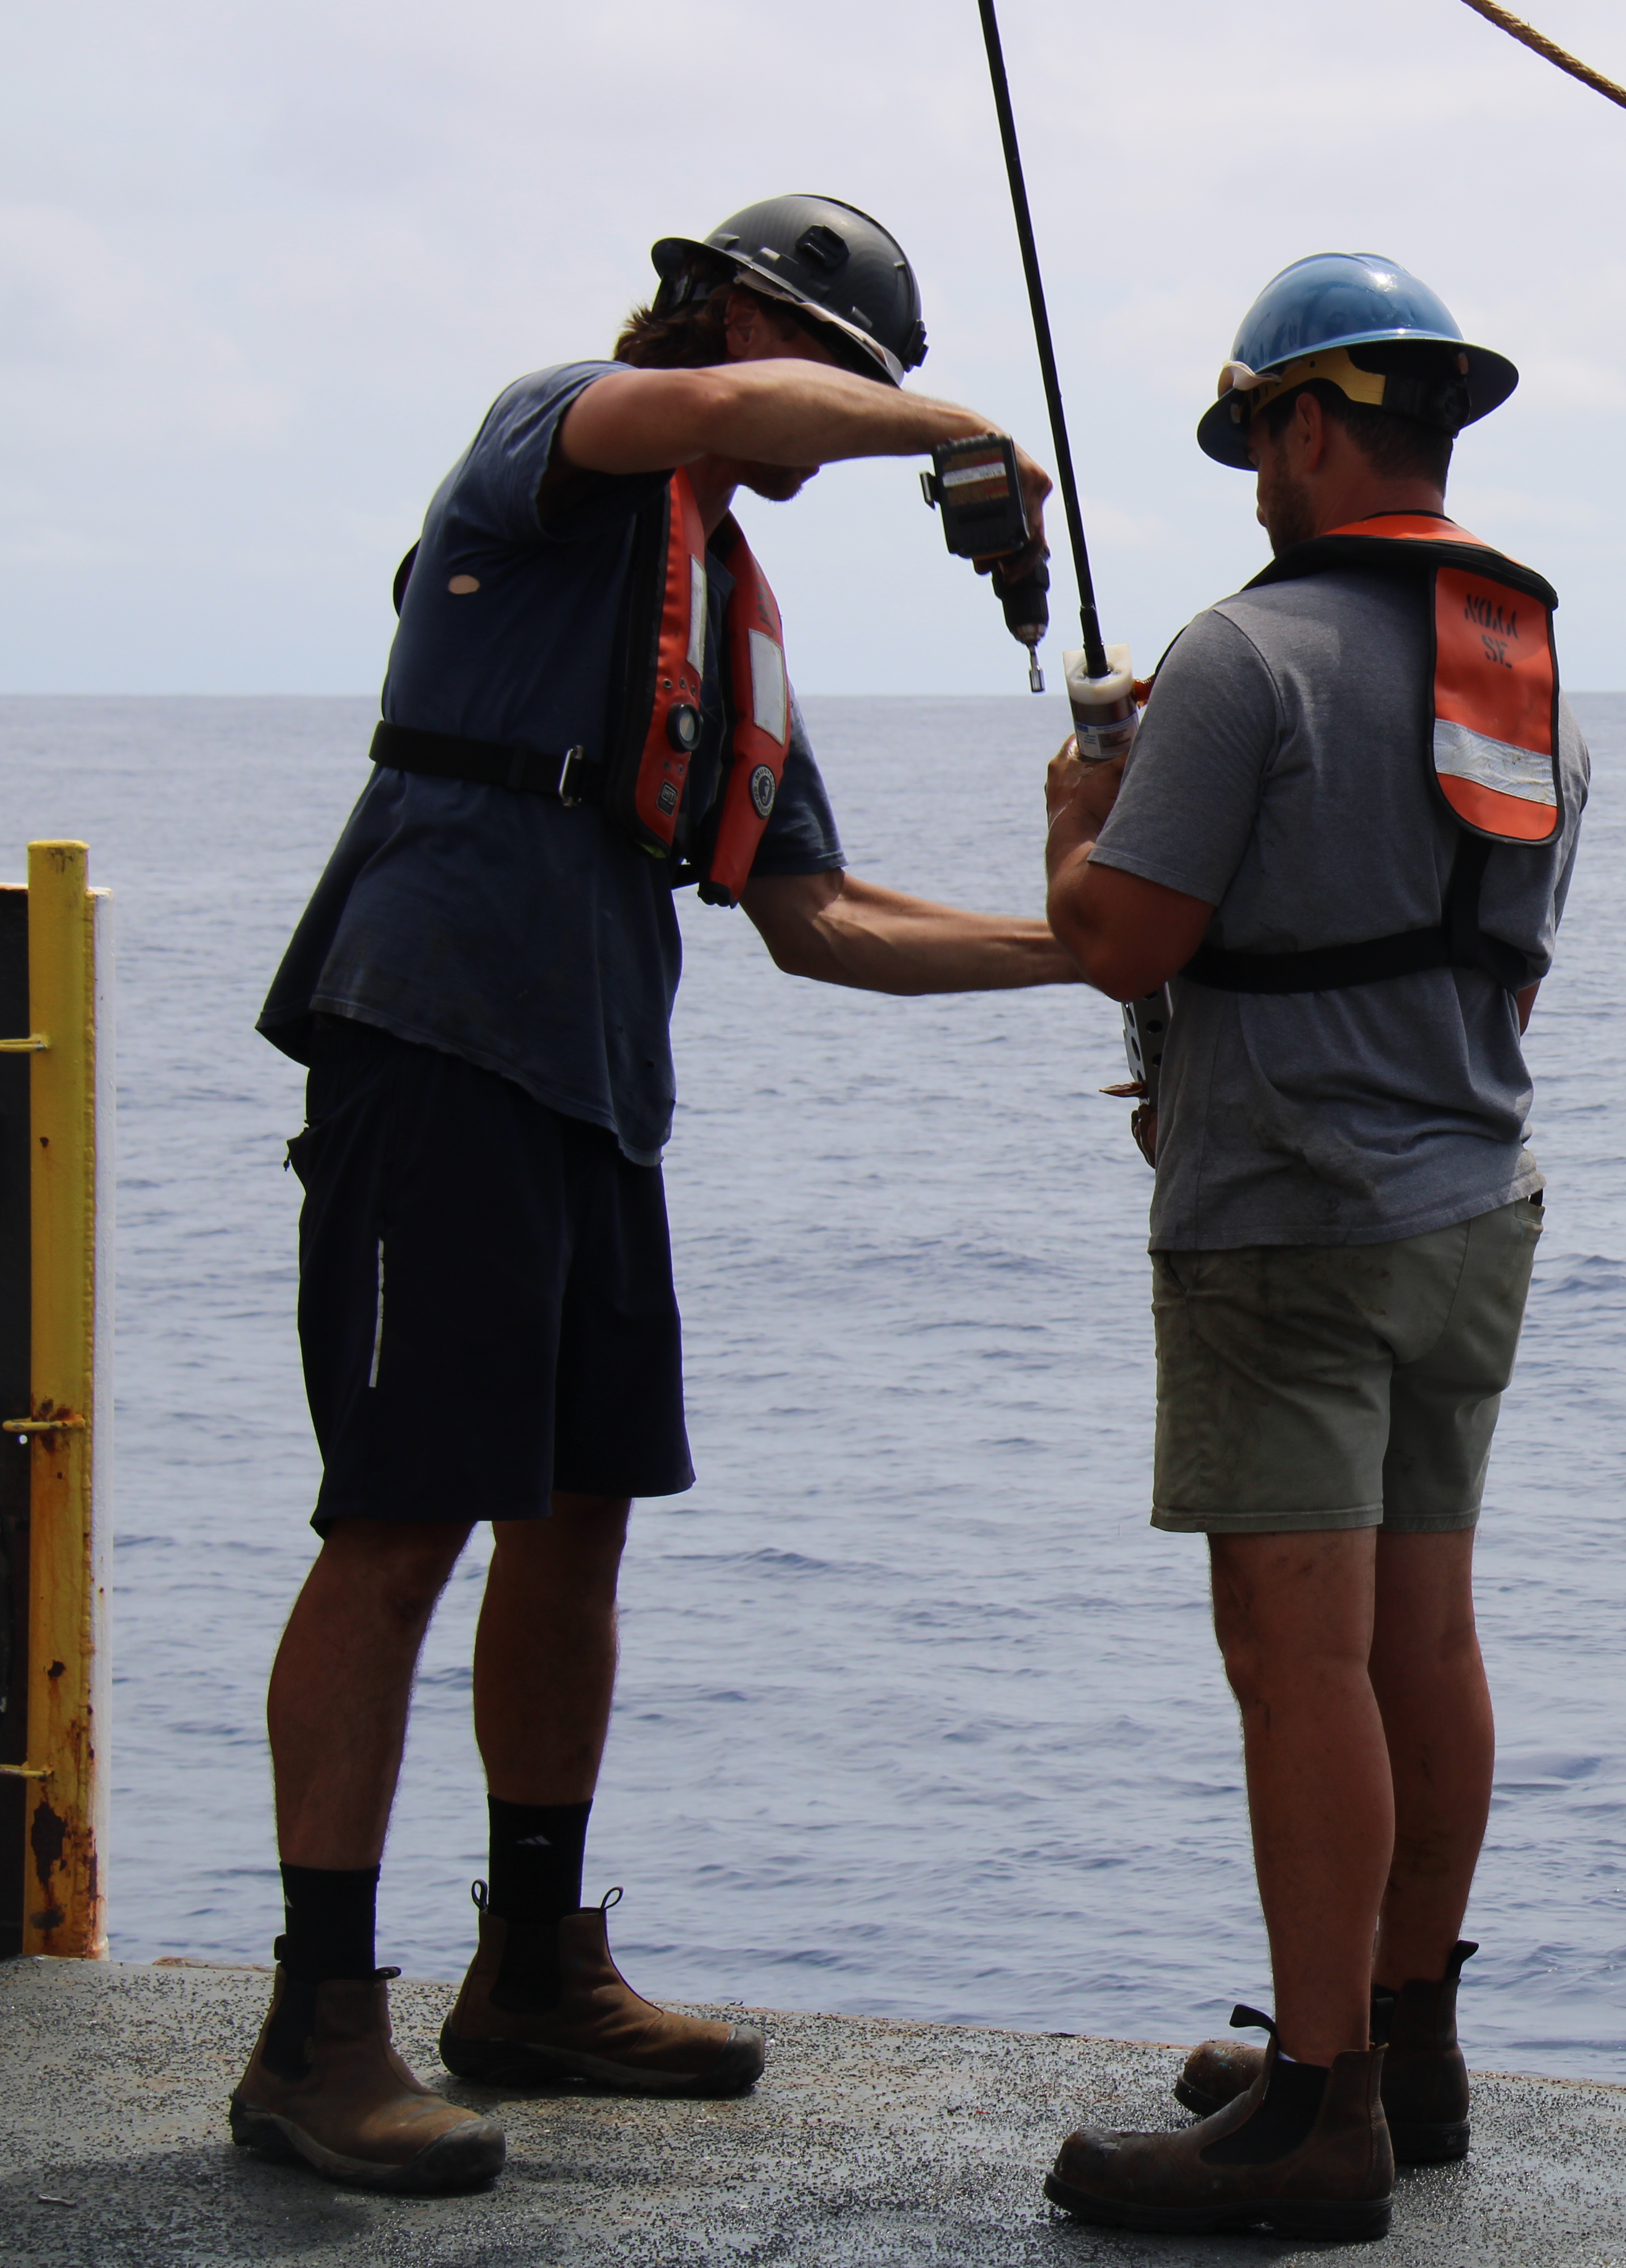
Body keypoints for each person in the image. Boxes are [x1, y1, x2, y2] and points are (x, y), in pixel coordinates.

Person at [235, 194, 1079, 2194]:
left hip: (600, 1078)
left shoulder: (734, 605)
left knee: (581, 1518)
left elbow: (817, 917)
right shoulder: (566, 429)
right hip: (436, 1031)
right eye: (829, 378)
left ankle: (531, 1964)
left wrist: (1081, 951)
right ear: (726, 321)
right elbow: (701, 400)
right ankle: (312, 2032)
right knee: (399, 1522)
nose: (824, 427)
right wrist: (961, 431)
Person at [1034, 252, 1587, 2241]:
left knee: (1300, 1664)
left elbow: (1121, 938)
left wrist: (1072, 811)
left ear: (1314, 420)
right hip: (1472, 1210)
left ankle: (1318, 2110)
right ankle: (1408, 2041)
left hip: (1284, 1228)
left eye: (1258, 434)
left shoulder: (1242, 659)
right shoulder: (1520, 660)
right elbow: (1491, 965)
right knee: (1428, 1637)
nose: (1251, 479)